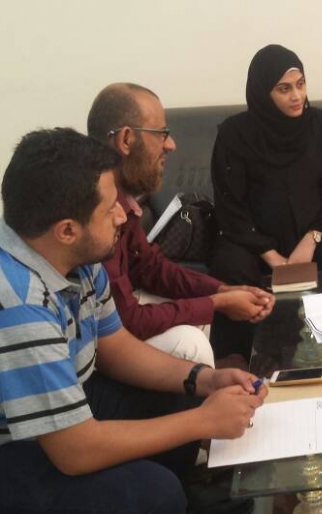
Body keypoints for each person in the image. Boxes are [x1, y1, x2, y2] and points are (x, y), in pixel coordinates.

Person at [0, 128, 269, 514]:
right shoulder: (14, 306)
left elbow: (114, 346)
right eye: (110, 207)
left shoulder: (71, 255)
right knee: (153, 498)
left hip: (42, 414)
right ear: (67, 229)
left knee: (181, 395)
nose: (122, 216)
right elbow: (75, 452)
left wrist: (203, 380)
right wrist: (204, 421)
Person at [87, 83, 275, 367]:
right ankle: (208, 389)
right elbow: (127, 320)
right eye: (161, 133)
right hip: (98, 340)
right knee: (189, 343)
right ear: (126, 140)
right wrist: (218, 303)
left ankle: (213, 375)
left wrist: (221, 290)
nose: (171, 145)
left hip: (119, 314)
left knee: (198, 311)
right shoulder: (97, 212)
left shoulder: (123, 195)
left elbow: (151, 267)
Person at [208, 44, 322, 358]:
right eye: (284, 89)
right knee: (230, 266)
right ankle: (242, 357)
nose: (297, 96)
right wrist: (271, 256)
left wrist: (311, 240)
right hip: (253, 241)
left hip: (313, 233)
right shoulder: (234, 134)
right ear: (263, 92)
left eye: (300, 84)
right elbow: (230, 205)